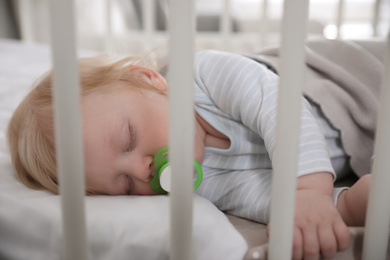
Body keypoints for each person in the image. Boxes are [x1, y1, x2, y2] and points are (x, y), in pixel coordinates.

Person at [7, 45, 375, 260]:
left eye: (129, 138)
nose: (142, 170)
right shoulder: (201, 184)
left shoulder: (201, 75)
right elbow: (261, 195)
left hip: (353, 79)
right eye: (125, 185)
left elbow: (279, 107)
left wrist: (308, 192)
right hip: (362, 139)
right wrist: (339, 207)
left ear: (147, 80)